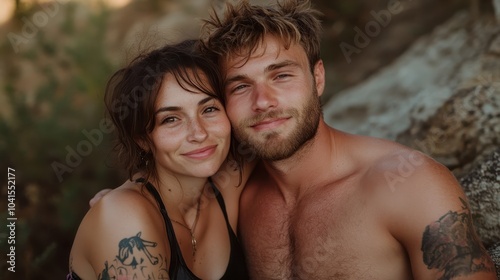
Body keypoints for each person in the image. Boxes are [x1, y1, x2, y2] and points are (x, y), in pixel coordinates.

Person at [198, 0, 497, 279]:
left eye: (281, 76)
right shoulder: (239, 200)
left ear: (318, 79)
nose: (262, 102)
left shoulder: (410, 183)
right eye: (240, 87)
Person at [69, 39, 253, 279]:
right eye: (171, 119)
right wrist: (117, 205)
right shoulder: (123, 218)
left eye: (209, 109)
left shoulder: (230, 182)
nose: (199, 133)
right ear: (142, 139)